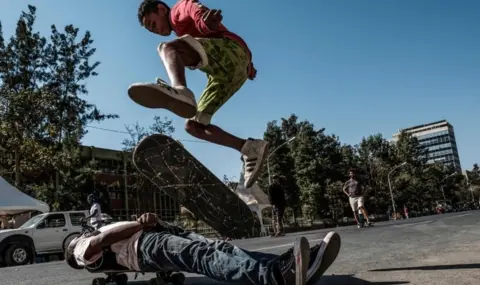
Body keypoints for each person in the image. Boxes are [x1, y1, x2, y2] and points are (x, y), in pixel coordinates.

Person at [129, 0, 268, 188]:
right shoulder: (180, 30)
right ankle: (249, 148)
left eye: (152, 24)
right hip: (229, 74)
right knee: (193, 126)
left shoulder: (177, 11)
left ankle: (180, 89)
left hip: (232, 52)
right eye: (150, 30)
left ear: (161, 9)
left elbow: (194, 9)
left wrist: (204, 22)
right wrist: (248, 68)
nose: (154, 30)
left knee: (167, 48)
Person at [66, 213, 341, 285]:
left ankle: (289, 266)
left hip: (158, 235)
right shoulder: (77, 248)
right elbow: (95, 247)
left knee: (223, 249)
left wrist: (152, 222)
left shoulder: (92, 231)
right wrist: (138, 224)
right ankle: (278, 277)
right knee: (203, 257)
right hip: (145, 248)